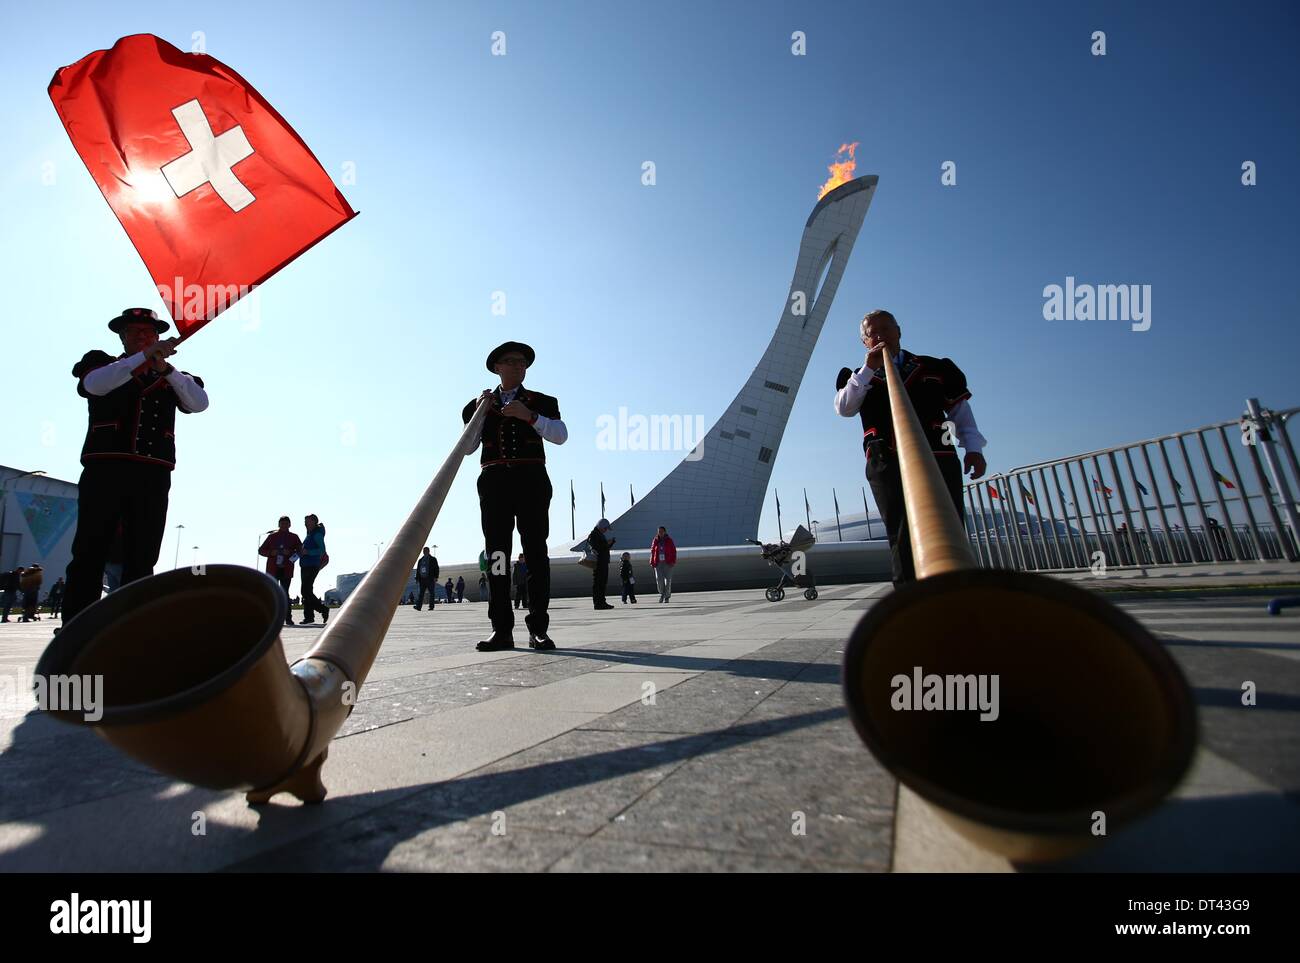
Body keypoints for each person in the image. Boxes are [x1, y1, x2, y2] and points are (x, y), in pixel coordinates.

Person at [62, 307, 208, 624]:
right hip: (106, 470)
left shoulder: (173, 377)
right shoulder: (103, 364)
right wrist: (139, 361)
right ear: (122, 337)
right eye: (134, 332)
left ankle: (133, 625)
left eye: (148, 332)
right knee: (90, 548)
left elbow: (199, 403)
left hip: (152, 473)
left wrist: (166, 369)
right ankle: (77, 624)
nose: (142, 337)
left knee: (142, 553)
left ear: (158, 337)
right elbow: (94, 385)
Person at [834, 309, 986, 584]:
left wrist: (973, 449)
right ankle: (911, 601)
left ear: (899, 332)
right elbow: (845, 408)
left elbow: (960, 411)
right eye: (872, 333)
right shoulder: (858, 377)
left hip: (937, 457)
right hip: (887, 463)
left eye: (887, 329)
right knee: (901, 533)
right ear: (864, 342)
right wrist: (868, 370)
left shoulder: (934, 368)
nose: (880, 336)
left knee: (948, 526)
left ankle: (954, 596)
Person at [461, 341, 568, 651]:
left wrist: (530, 417)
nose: (517, 366)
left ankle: (539, 629)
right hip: (494, 481)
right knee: (497, 555)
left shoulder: (542, 401)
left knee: (536, 552)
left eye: (521, 362)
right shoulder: (477, 404)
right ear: (497, 367)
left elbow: (560, 436)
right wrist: (480, 414)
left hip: (531, 479)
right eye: (510, 361)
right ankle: (501, 629)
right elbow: (467, 448)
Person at [259, 516, 302, 626]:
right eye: (282, 523)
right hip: (272, 569)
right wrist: (271, 553)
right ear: (279, 524)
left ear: (290, 525)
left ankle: (288, 618)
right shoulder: (272, 536)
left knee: (285, 593)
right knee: (272, 593)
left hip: (286, 569)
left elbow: (300, 551)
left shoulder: (294, 537)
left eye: (286, 523)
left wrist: (291, 554)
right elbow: (261, 550)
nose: (284, 525)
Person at [297, 514, 330, 625]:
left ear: (315, 522)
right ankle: (309, 617)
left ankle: (323, 609)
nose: (306, 523)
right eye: (305, 521)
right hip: (305, 565)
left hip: (312, 565)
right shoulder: (309, 534)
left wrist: (308, 552)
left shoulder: (317, 535)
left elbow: (322, 550)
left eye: (308, 521)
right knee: (307, 591)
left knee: (305, 591)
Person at [588, 519, 616, 610]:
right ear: (600, 527)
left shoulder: (599, 534)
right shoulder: (594, 535)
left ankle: (602, 602)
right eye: (605, 528)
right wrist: (607, 543)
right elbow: (597, 548)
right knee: (598, 583)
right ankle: (598, 603)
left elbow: (603, 548)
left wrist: (610, 543)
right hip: (599, 562)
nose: (606, 530)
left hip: (603, 562)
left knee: (602, 583)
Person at [650, 526, 677, 602]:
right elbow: (652, 551)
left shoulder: (669, 540)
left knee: (668, 580)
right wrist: (652, 562)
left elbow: (674, 551)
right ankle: (662, 593)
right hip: (658, 563)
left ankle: (667, 596)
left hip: (668, 563)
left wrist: (673, 561)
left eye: (661, 531)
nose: (660, 533)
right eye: (659, 531)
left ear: (665, 532)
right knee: (659, 580)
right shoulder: (655, 540)